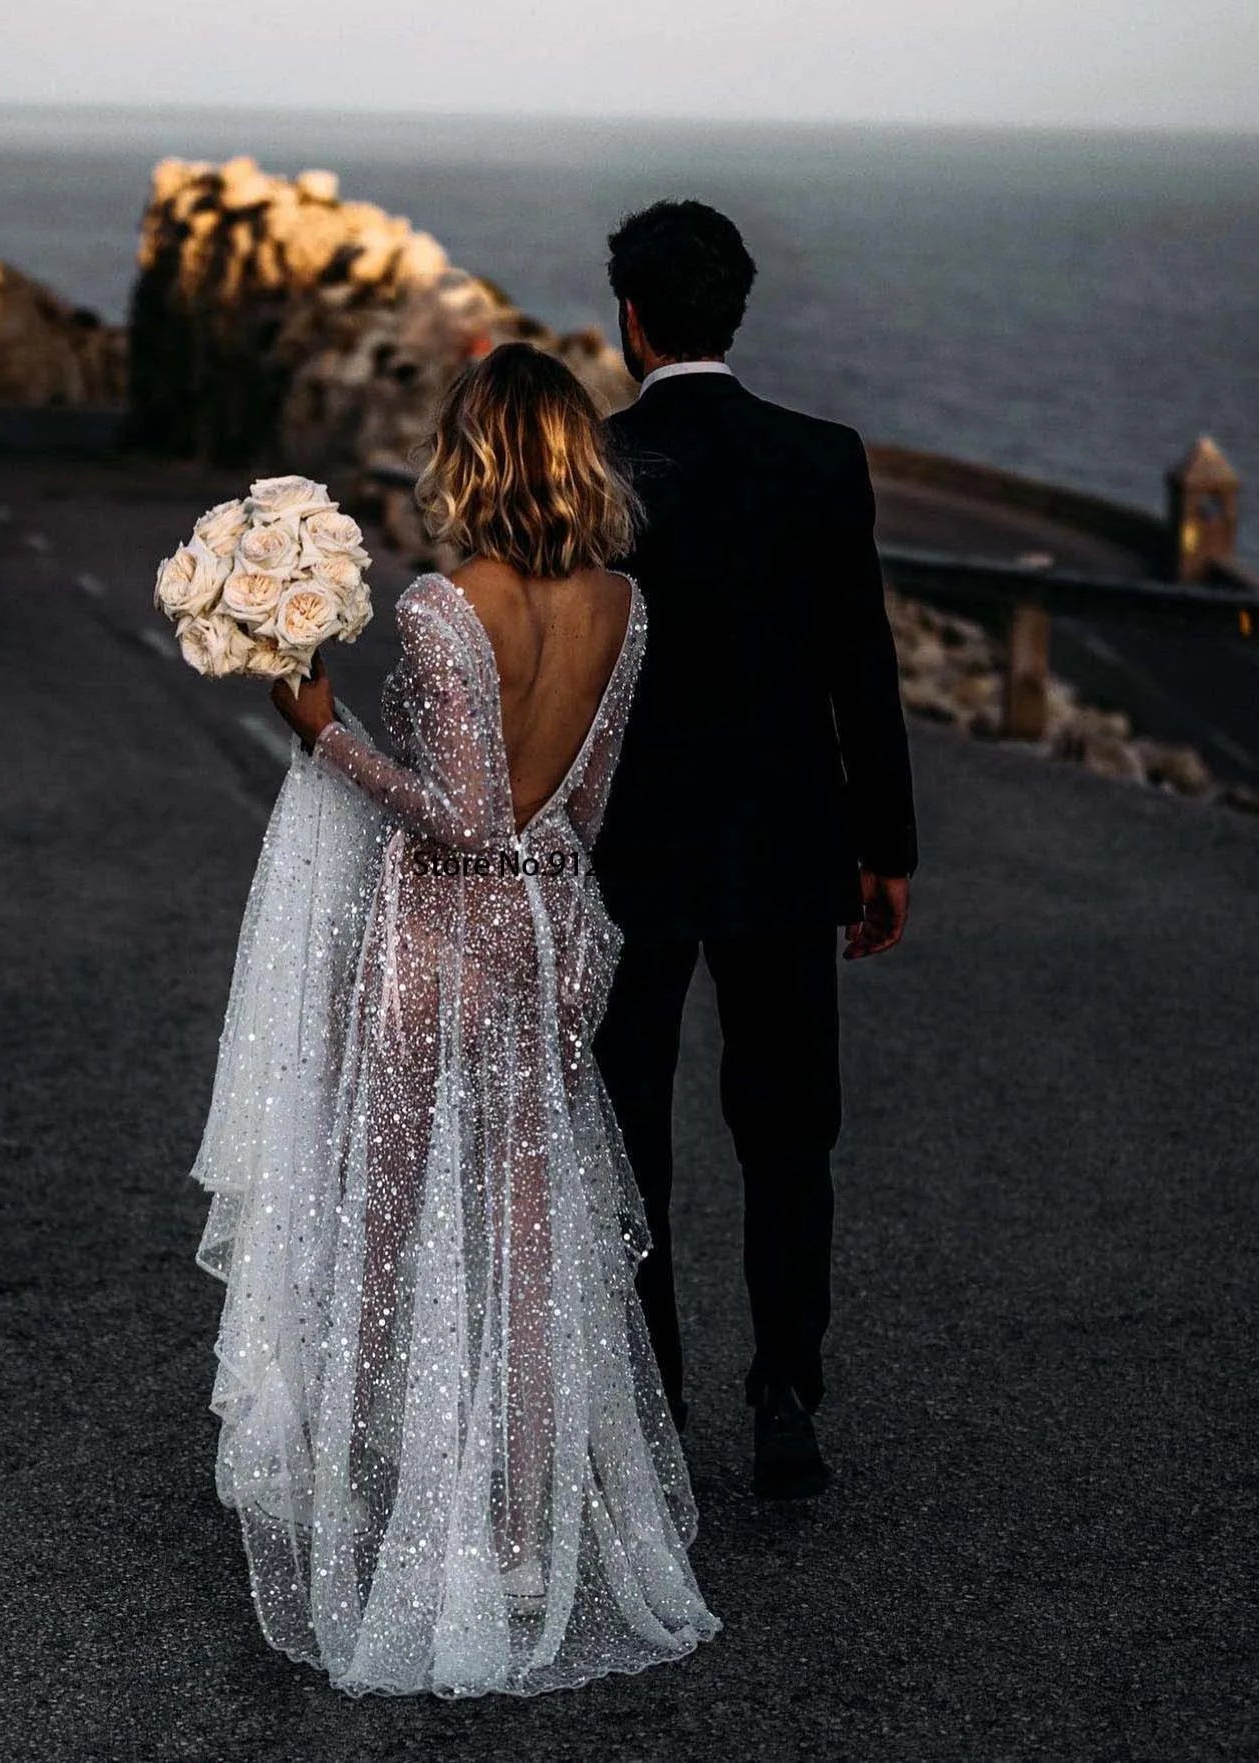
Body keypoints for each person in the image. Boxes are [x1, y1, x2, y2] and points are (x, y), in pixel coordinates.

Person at [189, 341, 719, 1698]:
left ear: (472, 455)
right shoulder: (623, 605)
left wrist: (321, 728)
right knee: (533, 1233)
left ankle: (414, 1519)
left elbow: (461, 819)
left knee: (401, 1221)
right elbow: (576, 808)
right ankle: (525, 1537)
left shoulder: (442, 608)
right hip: (554, 933)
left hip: (441, 938)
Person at [590, 200, 918, 1499]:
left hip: (635, 855)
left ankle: (651, 1399)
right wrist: (885, 848)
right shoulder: (822, 458)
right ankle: (787, 1391)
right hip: (792, 846)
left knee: (632, 1131)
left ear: (630, 318)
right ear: (736, 311)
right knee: (789, 1133)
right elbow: (864, 668)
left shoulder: (595, 466)